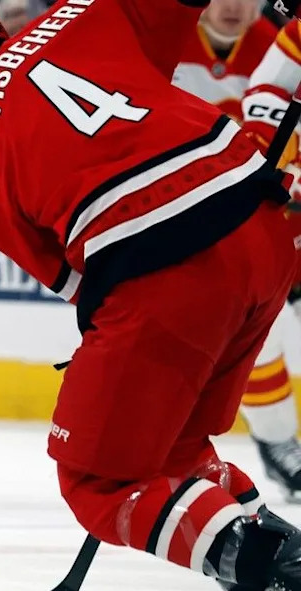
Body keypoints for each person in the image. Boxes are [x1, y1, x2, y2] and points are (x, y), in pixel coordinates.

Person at [0, 0, 301, 591]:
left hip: (169, 272)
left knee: (98, 480)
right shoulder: (79, 12)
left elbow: (81, 278)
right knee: (171, 457)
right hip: (264, 223)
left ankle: (280, 567)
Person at [173, 0, 301, 502]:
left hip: (274, 214)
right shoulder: (158, 38)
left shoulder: (274, 38)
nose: (233, 5)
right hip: (192, 212)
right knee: (257, 327)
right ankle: (277, 440)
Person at [239, 17, 301, 500]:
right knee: (263, 325)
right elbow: (267, 88)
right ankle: (280, 445)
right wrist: (273, 150)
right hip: (281, 213)